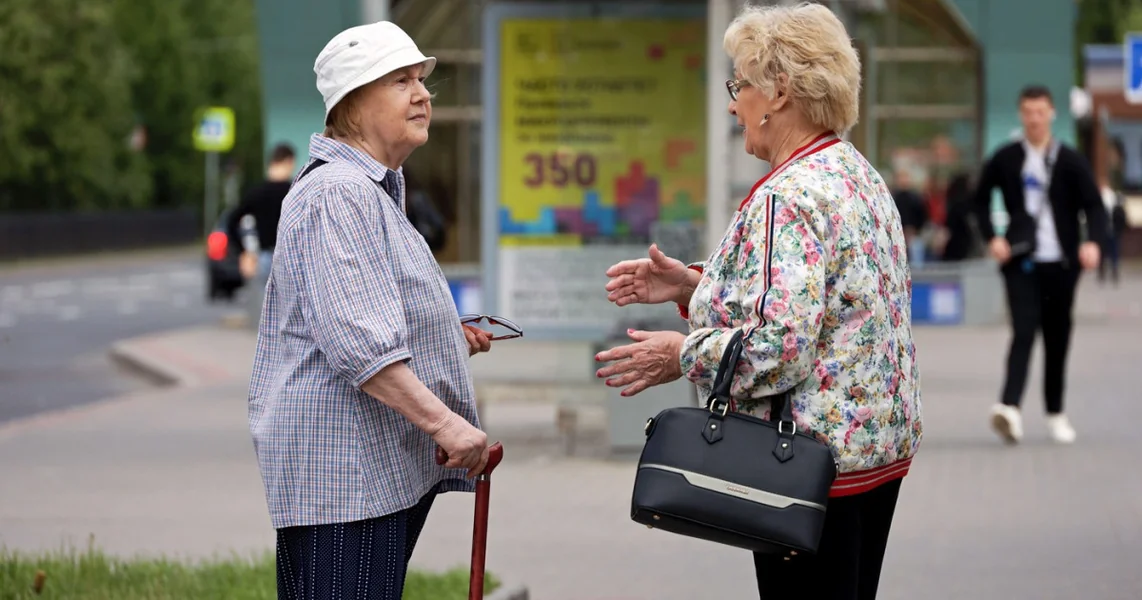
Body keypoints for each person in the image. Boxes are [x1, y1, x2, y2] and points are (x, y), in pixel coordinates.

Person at [594, 5, 922, 599]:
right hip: (872, 456)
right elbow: (835, 308)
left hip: (807, 469)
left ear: (779, 92)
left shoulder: (788, 196)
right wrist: (697, 288)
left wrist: (682, 355)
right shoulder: (856, 174)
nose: (731, 103)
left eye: (739, 84)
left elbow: (780, 347)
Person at [246, 21, 495, 599]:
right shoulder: (340, 194)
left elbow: (355, 312)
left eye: (422, 81)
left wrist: (442, 335)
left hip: (361, 472)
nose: (423, 94)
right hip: (344, 475)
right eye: (401, 81)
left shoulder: (370, 189)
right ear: (353, 105)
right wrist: (447, 424)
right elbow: (360, 345)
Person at [972, 84, 1108, 445]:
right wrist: (993, 237)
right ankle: (1009, 407)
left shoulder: (1070, 160)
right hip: (1021, 262)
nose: (1034, 119)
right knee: (1024, 329)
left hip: (1062, 264)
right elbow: (978, 200)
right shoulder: (1006, 158)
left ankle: (1055, 413)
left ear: (1051, 114)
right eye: (1028, 112)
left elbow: (1094, 205)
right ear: (1021, 115)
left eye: (1040, 112)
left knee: (1058, 337)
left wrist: (1092, 242)